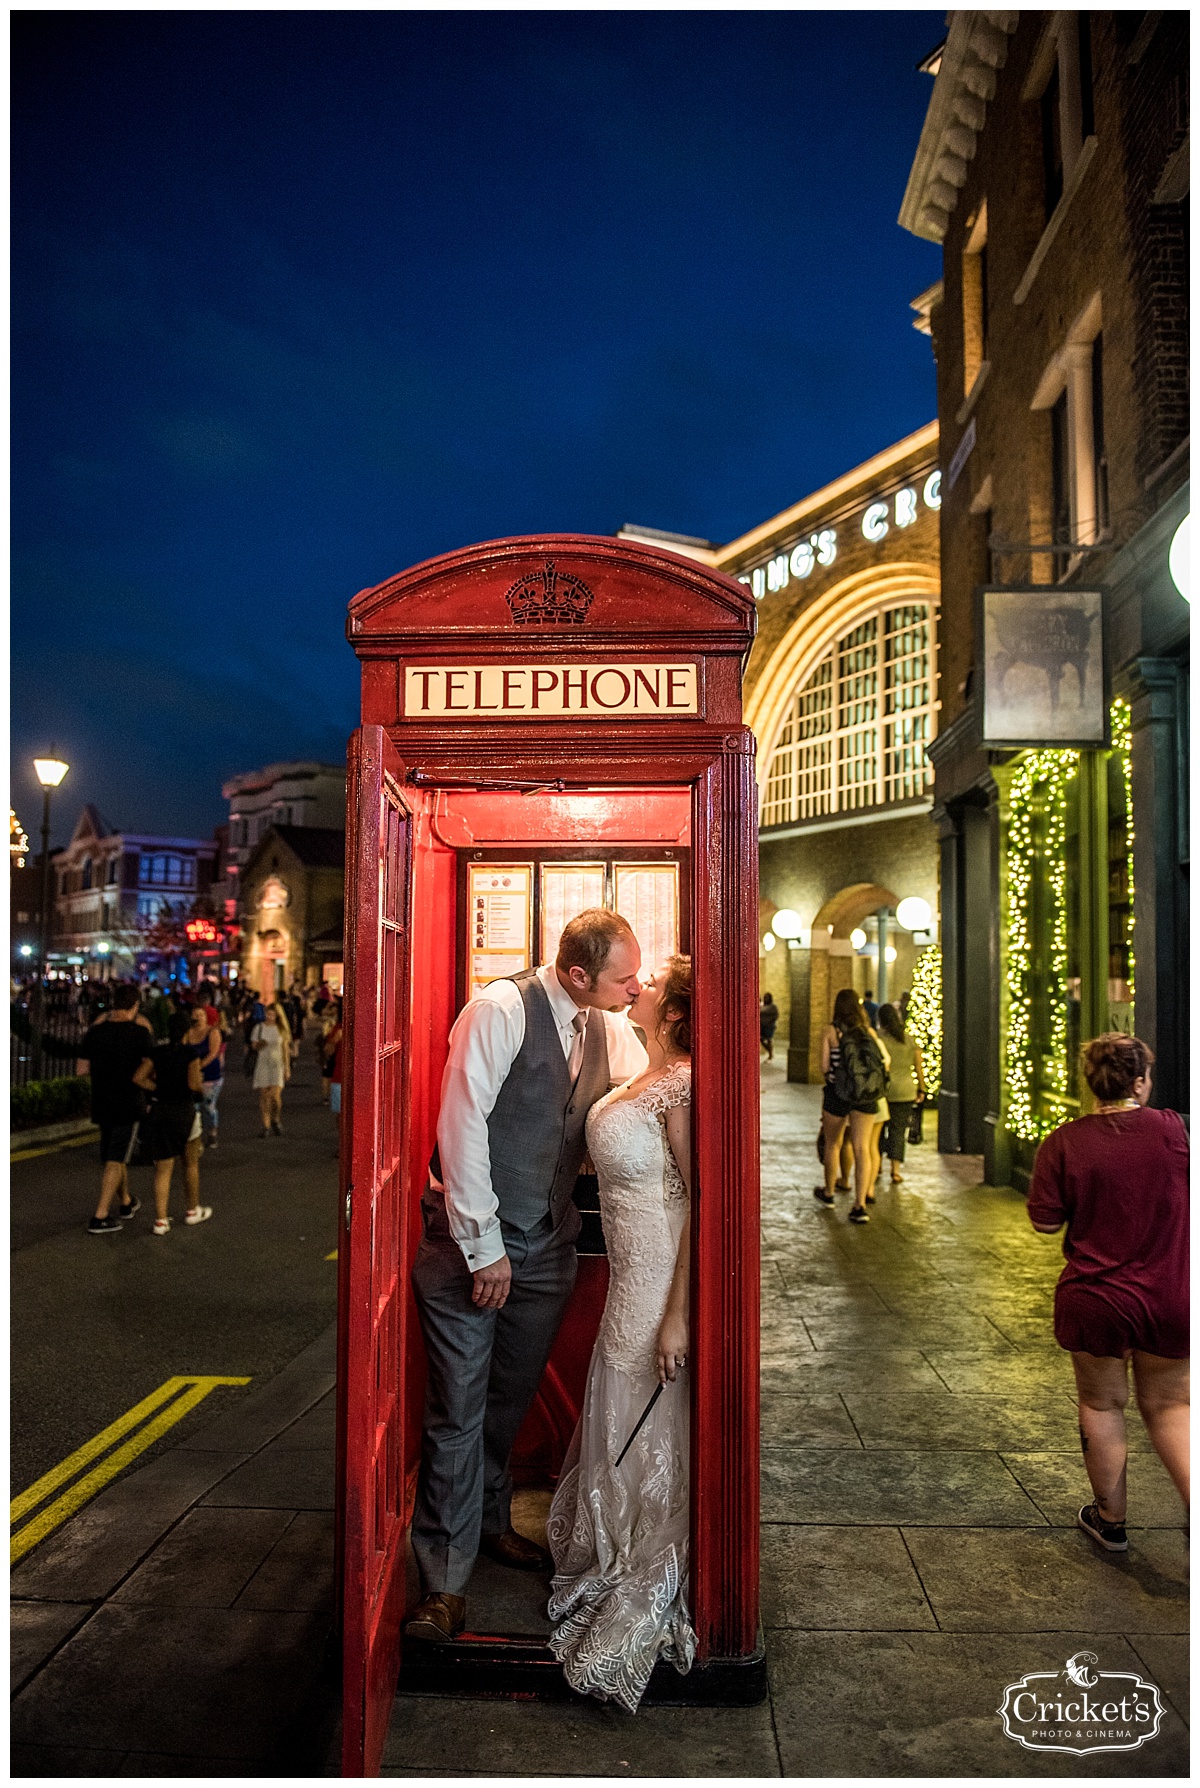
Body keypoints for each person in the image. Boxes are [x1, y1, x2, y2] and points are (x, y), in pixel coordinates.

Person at [403, 908, 648, 1645]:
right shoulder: (499, 1009)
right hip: (469, 1245)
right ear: (577, 974)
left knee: (509, 1401)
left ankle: (490, 1518)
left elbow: (654, 1084)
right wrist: (483, 1249)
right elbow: (462, 1124)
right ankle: (442, 1582)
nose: (636, 986)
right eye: (623, 976)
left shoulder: (607, 1026)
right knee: (459, 1408)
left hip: (550, 1244)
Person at [547, 956, 695, 1712]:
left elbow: (700, 1201)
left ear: (671, 1015)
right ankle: (617, 1520)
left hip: (660, 1265)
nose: (637, 989)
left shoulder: (682, 1084)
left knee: (645, 1385)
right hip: (629, 1263)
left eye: (653, 986)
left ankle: (640, 1533)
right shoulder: (641, 1072)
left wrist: (680, 1313)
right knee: (616, 1379)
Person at [1027, 1034, 1188, 1553]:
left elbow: (1045, 1224)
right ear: (1140, 1081)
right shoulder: (1170, 1129)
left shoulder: (1064, 1142)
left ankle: (1110, 1519)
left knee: (1101, 1402)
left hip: (1095, 1297)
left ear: (1089, 1083)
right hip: (1170, 1292)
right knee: (1168, 1406)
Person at [78, 983, 154, 1234]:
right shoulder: (140, 1034)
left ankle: (126, 1202)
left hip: (102, 1100)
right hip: (128, 1102)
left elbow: (82, 1070)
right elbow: (148, 1069)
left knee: (114, 1155)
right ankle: (100, 1216)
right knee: (115, 1158)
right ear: (135, 1006)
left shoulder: (95, 1032)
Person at [133, 1011, 212, 1236]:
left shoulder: (157, 1053)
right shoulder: (190, 1054)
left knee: (163, 1169)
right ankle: (192, 1210)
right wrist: (198, 1086)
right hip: (184, 1110)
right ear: (187, 1031)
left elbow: (138, 1078)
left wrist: (157, 1088)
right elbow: (194, 1084)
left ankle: (160, 1221)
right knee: (190, 1163)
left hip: (161, 1110)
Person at [813, 988, 888, 1223]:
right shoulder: (868, 1032)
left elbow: (825, 1067)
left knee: (833, 1143)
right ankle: (859, 1205)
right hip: (865, 1096)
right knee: (862, 1148)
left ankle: (829, 1193)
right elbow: (884, 1064)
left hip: (837, 1094)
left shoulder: (831, 1031)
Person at [877, 1002, 924, 1185]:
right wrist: (922, 1088)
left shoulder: (878, 1039)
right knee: (898, 1131)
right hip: (905, 1091)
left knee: (879, 1130)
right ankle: (895, 1171)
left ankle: (877, 1164)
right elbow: (918, 1066)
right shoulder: (909, 1039)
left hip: (883, 1091)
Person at [186, 1001, 225, 1149]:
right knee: (193, 1107)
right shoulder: (188, 1033)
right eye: (195, 1015)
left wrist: (198, 1066)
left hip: (210, 1075)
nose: (198, 1018)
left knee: (209, 1106)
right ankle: (195, 1136)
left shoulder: (212, 1032)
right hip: (192, 1076)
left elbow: (213, 1053)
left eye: (201, 1015)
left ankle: (212, 1132)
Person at [251, 1001, 292, 1136]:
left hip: (277, 1064)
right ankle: (266, 1125)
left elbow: (285, 1049)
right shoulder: (259, 1028)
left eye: (273, 1015)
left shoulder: (281, 1029)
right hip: (263, 1062)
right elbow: (254, 1046)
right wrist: (260, 1044)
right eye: (268, 1014)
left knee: (275, 1096)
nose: (269, 1017)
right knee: (264, 1095)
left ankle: (275, 1118)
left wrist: (287, 1067)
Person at [760, 991, 779, 1061]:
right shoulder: (762, 1005)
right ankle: (770, 1052)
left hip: (769, 1026)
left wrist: (770, 1022)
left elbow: (776, 1015)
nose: (766, 998)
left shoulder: (773, 1006)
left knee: (768, 1039)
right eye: (765, 997)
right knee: (761, 1039)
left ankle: (770, 1054)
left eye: (767, 997)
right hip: (762, 1025)